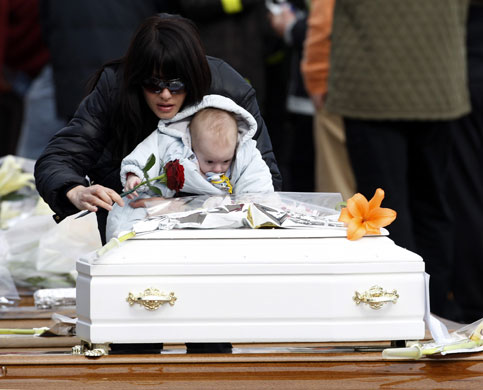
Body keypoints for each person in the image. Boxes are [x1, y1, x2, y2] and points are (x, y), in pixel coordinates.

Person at [34, 13, 282, 245]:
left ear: (195, 76)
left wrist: (183, 207)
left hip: (217, 236)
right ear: (137, 78)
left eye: (176, 84)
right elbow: (60, 156)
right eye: (153, 84)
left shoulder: (229, 90)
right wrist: (74, 191)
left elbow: (265, 181)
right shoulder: (114, 88)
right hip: (133, 232)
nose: (165, 94)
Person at [323, 0, 471, 320]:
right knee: (432, 203)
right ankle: (434, 314)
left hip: (370, 82)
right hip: (438, 77)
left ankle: (395, 313)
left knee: (382, 210)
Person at [106, 94, 274, 240]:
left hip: (216, 213)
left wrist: (251, 202)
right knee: (129, 212)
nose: (217, 169)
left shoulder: (245, 155)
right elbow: (149, 152)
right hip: (162, 204)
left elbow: (257, 182)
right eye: (209, 162)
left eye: (225, 162)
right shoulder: (172, 143)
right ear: (191, 144)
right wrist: (135, 174)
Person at [301, 0, 355, 200]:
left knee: (338, 187)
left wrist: (317, 80)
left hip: (344, 89)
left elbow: (323, 27)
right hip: (424, 93)